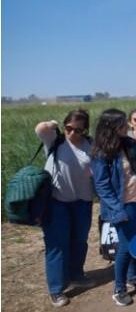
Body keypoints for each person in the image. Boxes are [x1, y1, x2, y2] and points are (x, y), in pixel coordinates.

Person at [91, 109, 136, 306]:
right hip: (124, 205)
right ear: (112, 127)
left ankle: (133, 277)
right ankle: (119, 289)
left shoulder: (129, 142)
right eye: (122, 123)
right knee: (126, 246)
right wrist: (117, 209)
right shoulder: (101, 152)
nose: (126, 126)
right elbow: (102, 186)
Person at [34, 110, 95, 308]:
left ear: (85, 130)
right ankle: (56, 289)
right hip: (56, 201)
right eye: (69, 128)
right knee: (56, 245)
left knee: (79, 241)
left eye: (78, 130)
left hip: (83, 201)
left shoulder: (90, 144)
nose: (72, 133)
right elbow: (40, 129)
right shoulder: (55, 140)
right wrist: (53, 123)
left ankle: (76, 275)